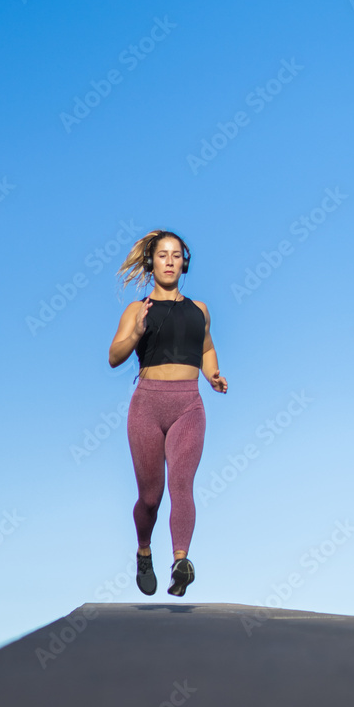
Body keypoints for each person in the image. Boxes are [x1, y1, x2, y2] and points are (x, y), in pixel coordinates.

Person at [109, 229, 227, 598]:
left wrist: (213, 375)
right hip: (146, 405)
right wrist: (136, 333)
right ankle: (144, 551)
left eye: (177, 255)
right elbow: (114, 357)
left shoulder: (200, 310)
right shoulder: (136, 309)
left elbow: (206, 349)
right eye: (163, 255)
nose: (171, 260)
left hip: (188, 405)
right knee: (150, 497)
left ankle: (180, 562)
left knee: (182, 484)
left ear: (185, 263)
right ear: (151, 262)